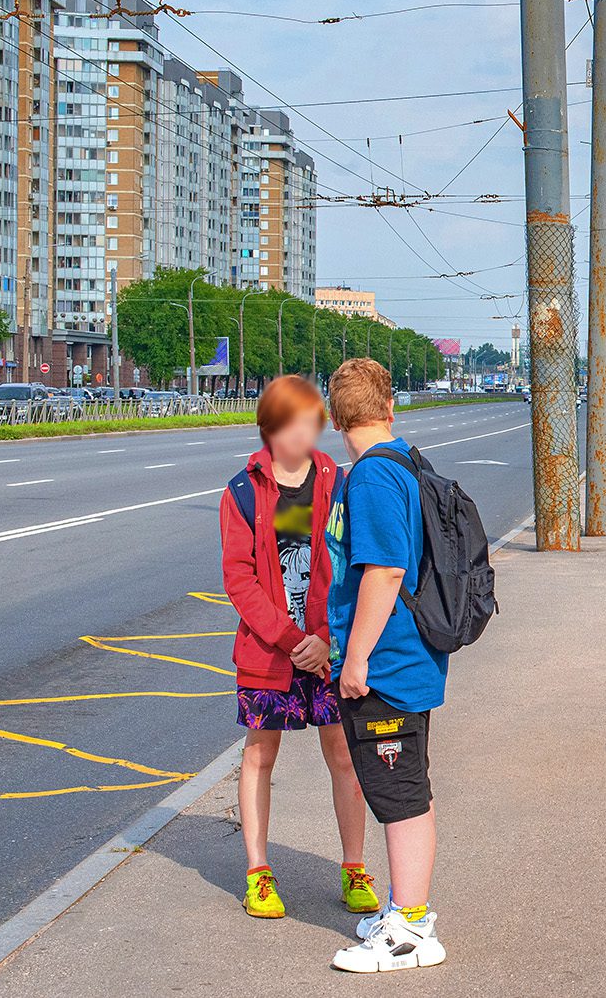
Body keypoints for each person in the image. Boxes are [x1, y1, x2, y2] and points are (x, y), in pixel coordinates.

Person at [218, 374, 380, 921]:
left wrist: (329, 640)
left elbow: (355, 567)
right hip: (270, 653)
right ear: (269, 427)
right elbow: (240, 580)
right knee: (259, 756)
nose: (302, 433)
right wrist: (292, 641)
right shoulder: (243, 492)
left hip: (328, 650)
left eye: (312, 421)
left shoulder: (339, 484)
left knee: (344, 755)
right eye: (291, 423)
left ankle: (355, 867)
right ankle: (258, 874)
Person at [324, 358, 450, 972]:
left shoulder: (372, 477)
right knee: (406, 790)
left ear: (334, 416)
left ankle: (409, 932)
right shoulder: (402, 460)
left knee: (399, 794)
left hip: (388, 665)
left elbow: (385, 570)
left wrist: (356, 659)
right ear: (389, 406)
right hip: (407, 658)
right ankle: (409, 909)